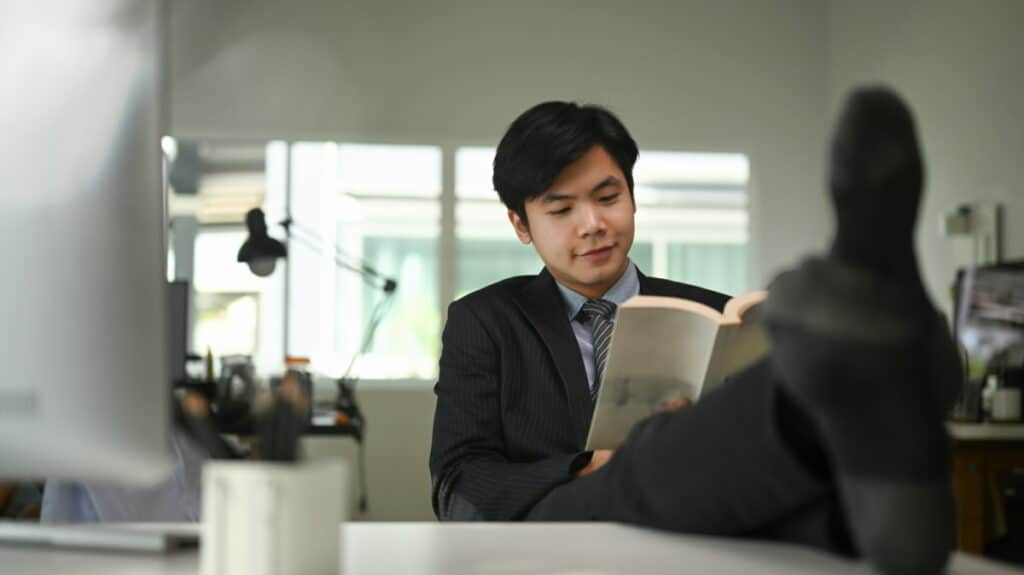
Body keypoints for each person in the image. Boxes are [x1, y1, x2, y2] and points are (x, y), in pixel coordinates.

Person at [431, 90, 961, 574]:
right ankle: (870, 384)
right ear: (520, 225)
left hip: (696, 525)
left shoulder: (712, 312)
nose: (592, 224)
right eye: (563, 209)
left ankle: (855, 461)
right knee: (660, 457)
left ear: (633, 197)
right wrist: (586, 468)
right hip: (555, 532)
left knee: (731, 446)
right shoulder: (484, 321)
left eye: (608, 197)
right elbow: (456, 483)